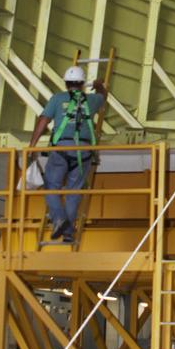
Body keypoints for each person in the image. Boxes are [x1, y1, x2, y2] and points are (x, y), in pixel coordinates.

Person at [29, 64, 107, 241]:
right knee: (74, 191)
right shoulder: (93, 100)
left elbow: (44, 120)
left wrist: (32, 144)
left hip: (61, 150)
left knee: (51, 187)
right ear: (82, 83)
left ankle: (59, 220)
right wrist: (99, 84)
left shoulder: (57, 99)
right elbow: (103, 96)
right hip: (85, 151)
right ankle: (68, 233)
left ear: (66, 83)